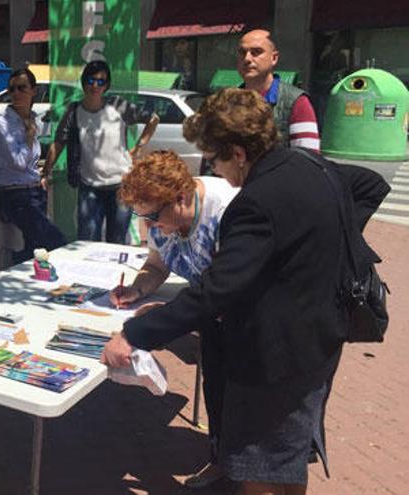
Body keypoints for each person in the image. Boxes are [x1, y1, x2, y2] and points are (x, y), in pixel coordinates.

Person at [102, 88, 389, 495]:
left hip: (278, 352)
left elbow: (217, 289)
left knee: (260, 467)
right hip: (320, 336)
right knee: (287, 459)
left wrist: (135, 334)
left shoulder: (254, 202)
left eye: (215, 160)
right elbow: (366, 185)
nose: (216, 171)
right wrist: (329, 248)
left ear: (237, 152)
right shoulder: (310, 165)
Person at [110, 150, 239, 488]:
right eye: (142, 217)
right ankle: (221, 462)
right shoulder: (160, 216)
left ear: (180, 197)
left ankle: (240, 472)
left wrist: (160, 321)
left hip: (248, 319)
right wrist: (138, 289)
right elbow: (157, 265)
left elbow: (228, 290)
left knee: (242, 399)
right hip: (211, 314)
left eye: (152, 216)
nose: (150, 226)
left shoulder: (228, 211)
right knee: (216, 388)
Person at [45, 60, 159, 243]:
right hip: (89, 188)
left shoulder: (117, 105)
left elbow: (153, 119)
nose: (95, 85)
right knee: (88, 242)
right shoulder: (74, 111)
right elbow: (59, 142)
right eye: (91, 80)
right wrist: (45, 172)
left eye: (101, 81)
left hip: (121, 186)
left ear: (106, 85)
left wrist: (139, 146)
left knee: (117, 241)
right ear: (84, 82)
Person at [0, 67, 66, 261]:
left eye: (21, 88)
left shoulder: (31, 119)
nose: (16, 93)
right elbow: (18, 162)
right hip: (17, 195)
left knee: (34, 251)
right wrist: (29, 137)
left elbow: (32, 160)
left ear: (33, 90)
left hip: (34, 190)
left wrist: (41, 176)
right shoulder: (2, 124)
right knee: (56, 243)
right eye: (12, 89)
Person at [238, 29, 319, 151]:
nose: (247, 59)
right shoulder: (229, 101)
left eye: (256, 52)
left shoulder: (296, 102)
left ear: (274, 58)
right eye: (242, 52)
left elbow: (308, 159)